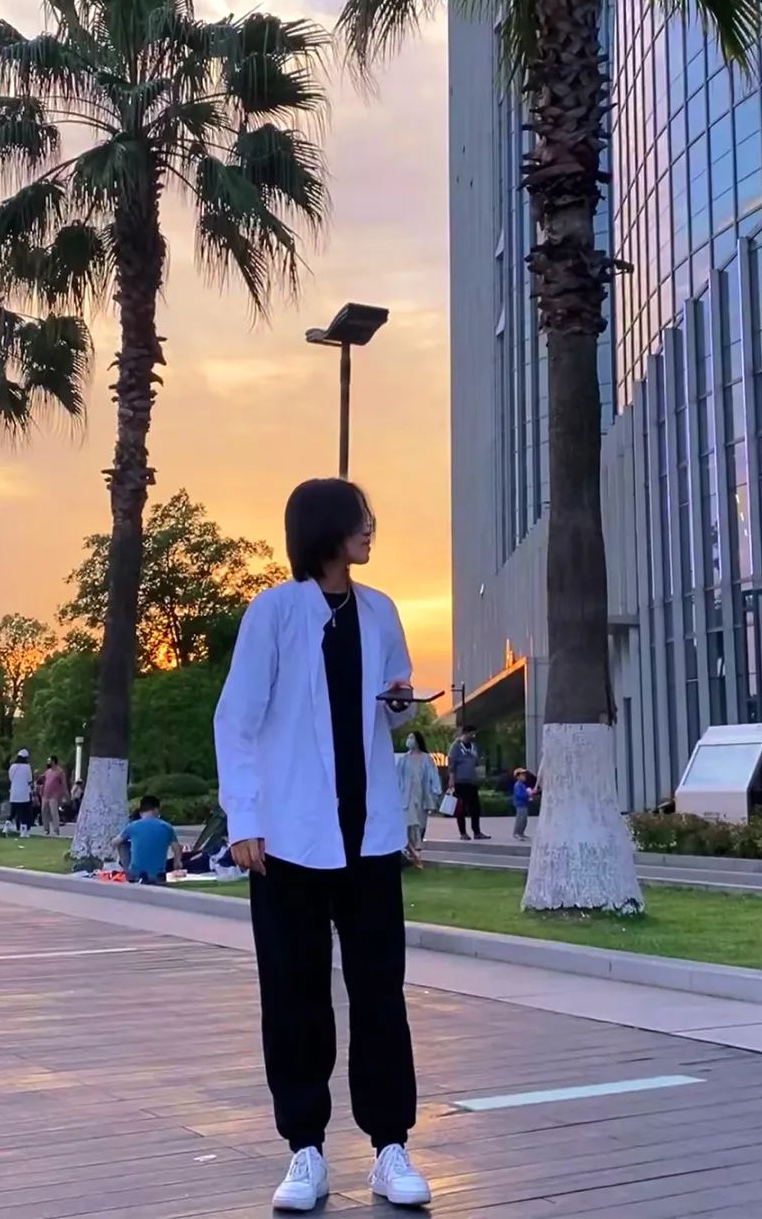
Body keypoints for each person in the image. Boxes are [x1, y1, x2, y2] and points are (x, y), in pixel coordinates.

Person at [214, 478, 431, 1213]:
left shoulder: (381, 611)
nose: (371, 530)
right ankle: (304, 1150)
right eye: (361, 520)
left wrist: (399, 702)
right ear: (327, 529)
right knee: (294, 995)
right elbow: (236, 721)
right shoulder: (274, 613)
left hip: (368, 841)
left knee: (380, 994)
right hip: (289, 841)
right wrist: (244, 819)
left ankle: (390, 1146)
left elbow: (390, 716)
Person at [397, 730, 440, 867]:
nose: (408, 740)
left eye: (411, 737)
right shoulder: (404, 759)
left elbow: (433, 777)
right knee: (410, 822)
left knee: (420, 824)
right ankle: (412, 851)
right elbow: (397, 778)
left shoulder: (427, 759)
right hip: (406, 796)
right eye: (408, 737)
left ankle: (416, 850)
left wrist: (435, 792)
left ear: (417, 741)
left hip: (422, 796)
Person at [116, 796, 182, 884]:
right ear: (156, 810)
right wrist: (177, 862)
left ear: (140, 812)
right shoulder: (167, 827)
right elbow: (177, 848)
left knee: (122, 844)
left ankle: (129, 874)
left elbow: (115, 842)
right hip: (159, 875)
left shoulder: (132, 826)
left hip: (136, 875)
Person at [447, 727, 489, 841]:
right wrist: (451, 779)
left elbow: (478, 762)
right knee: (461, 808)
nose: (473, 736)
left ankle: (477, 832)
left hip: (472, 781)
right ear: (465, 733)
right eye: (472, 734)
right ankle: (463, 833)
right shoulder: (455, 747)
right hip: (460, 781)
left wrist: (481, 776)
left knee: (475, 808)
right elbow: (451, 764)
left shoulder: (474, 746)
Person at [7, 750, 34, 837]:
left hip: (14, 792)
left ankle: (6, 828)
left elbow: (10, 778)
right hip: (24, 793)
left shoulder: (12, 767)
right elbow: (30, 779)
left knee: (13, 812)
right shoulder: (27, 767)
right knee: (24, 813)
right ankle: (23, 832)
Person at [40, 757, 69, 836]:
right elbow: (43, 781)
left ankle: (56, 830)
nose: (48, 762)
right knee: (44, 812)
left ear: (53, 761)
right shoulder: (47, 772)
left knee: (54, 812)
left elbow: (63, 783)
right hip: (45, 795)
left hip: (54, 795)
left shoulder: (60, 772)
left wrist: (65, 794)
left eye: (49, 761)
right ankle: (46, 829)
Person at [512, 767, 534, 841]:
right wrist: (527, 794)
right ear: (518, 776)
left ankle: (521, 833)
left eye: (524, 775)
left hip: (524, 804)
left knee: (524, 820)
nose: (524, 776)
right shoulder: (518, 785)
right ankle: (516, 833)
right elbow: (519, 795)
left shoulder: (522, 785)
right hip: (520, 805)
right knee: (520, 819)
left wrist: (529, 795)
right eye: (522, 775)